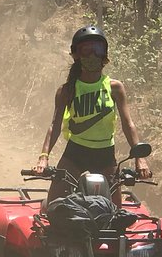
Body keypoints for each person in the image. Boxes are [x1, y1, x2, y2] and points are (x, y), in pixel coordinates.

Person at [34, 25, 151, 207]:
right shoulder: (66, 90)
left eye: (98, 50)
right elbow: (54, 125)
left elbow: (128, 124)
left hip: (105, 156)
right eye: (86, 50)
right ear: (76, 55)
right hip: (75, 154)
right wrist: (43, 157)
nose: (92, 56)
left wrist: (140, 159)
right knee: (53, 206)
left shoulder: (115, 87)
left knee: (115, 212)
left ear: (105, 55)